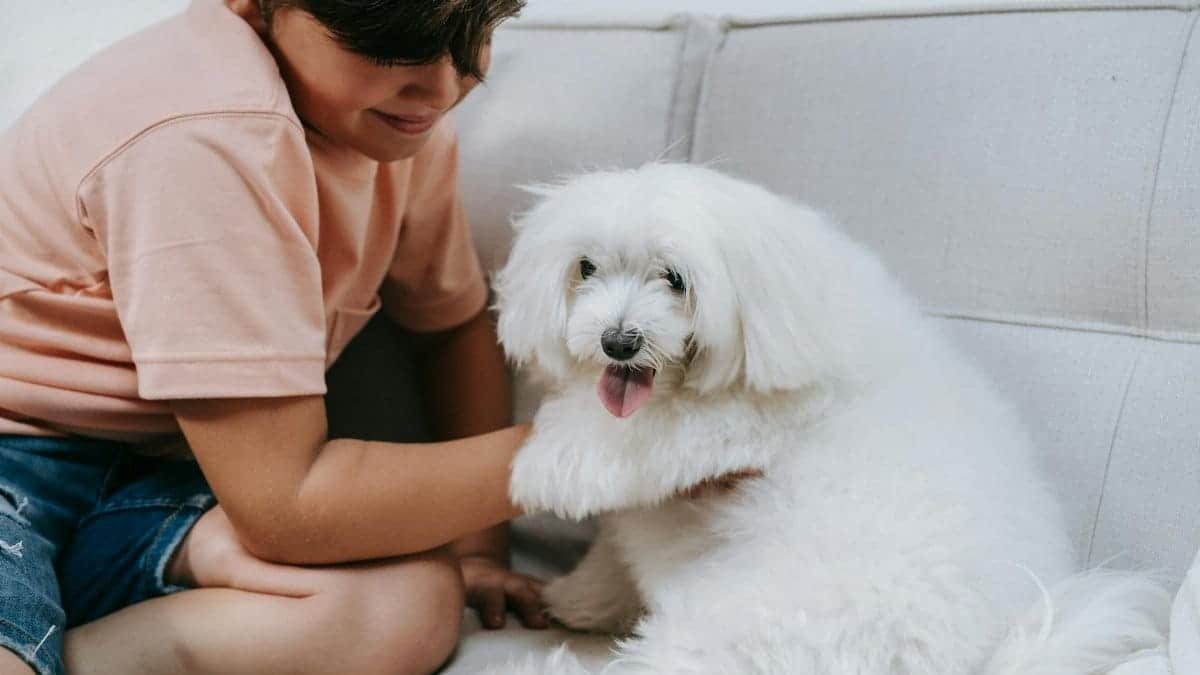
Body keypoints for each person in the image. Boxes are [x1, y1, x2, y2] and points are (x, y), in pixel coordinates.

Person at [0, 1, 543, 673]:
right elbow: (286, 506)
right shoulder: (207, 131)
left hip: (157, 482)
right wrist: (597, 452)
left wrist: (477, 550)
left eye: (474, 37)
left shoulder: (398, 130)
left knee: (411, 597)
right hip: (14, 461)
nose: (441, 87)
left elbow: (449, 324)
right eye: (391, 44)